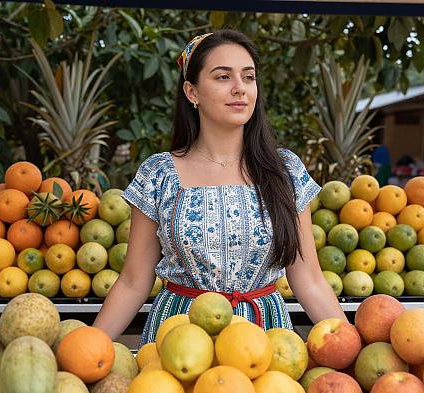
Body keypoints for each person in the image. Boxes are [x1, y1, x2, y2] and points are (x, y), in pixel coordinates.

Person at [93, 29, 346, 346]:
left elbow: (308, 279)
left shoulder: (285, 171)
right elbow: (133, 282)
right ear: (192, 91)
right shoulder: (159, 174)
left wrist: (348, 347)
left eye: (249, 77)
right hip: (180, 337)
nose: (240, 88)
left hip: (264, 340)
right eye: (223, 77)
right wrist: (91, 347)